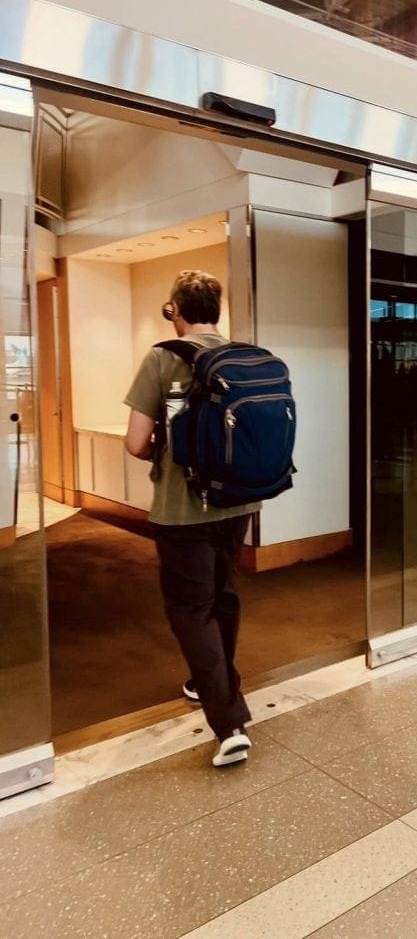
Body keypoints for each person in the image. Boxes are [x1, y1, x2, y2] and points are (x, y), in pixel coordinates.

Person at [124, 269, 258, 768]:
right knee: (222, 596)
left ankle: (229, 724)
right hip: (240, 501)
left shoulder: (162, 358)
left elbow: (136, 442)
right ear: (217, 310)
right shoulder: (243, 356)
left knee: (190, 608)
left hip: (183, 510)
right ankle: (207, 681)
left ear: (173, 310)